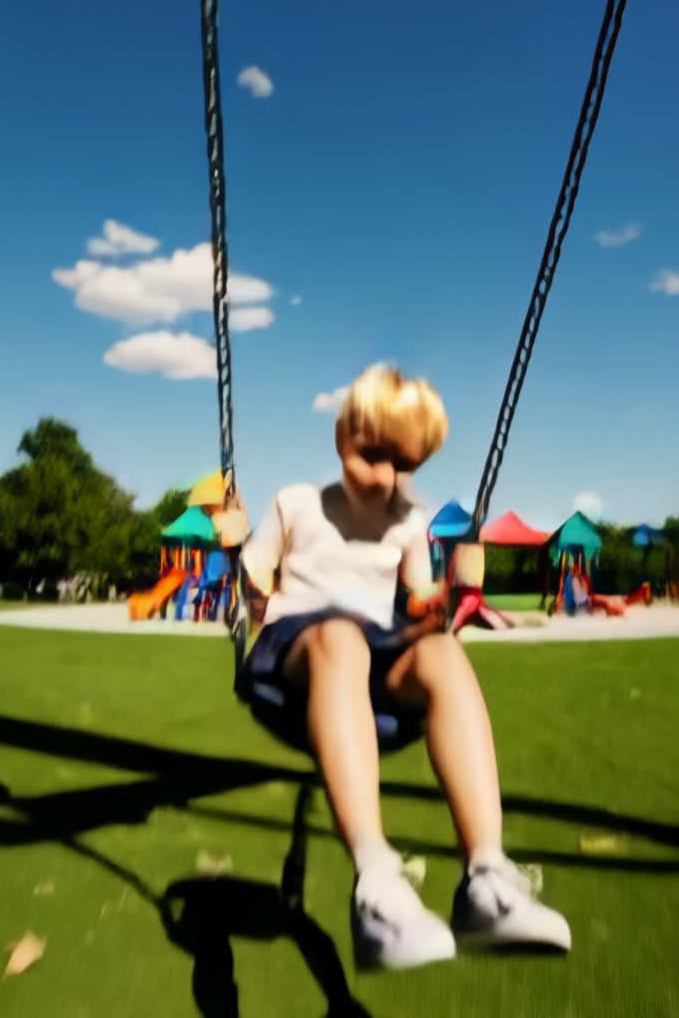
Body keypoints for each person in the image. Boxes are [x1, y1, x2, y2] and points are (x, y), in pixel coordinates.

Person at [213, 364, 570, 969]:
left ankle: (487, 877)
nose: (385, 476)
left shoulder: (410, 519)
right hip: (299, 649)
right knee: (341, 638)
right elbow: (256, 586)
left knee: (440, 653)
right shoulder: (298, 503)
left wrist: (453, 598)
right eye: (370, 454)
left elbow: (420, 599)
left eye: (403, 464)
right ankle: (377, 884)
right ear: (341, 435)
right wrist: (233, 545)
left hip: (374, 657)